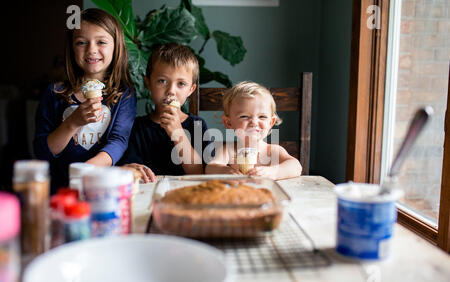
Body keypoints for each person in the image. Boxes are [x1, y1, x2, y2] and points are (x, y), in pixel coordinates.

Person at [34, 8, 137, 193]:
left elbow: (118, 141)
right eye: (81, 42)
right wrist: (73, 122)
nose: (91, 50)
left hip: (104, 188)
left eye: (101, 42)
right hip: (61, 191)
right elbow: (42, 151)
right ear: (72, 48)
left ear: (116, 46)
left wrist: (85, 173)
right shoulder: (54, 93)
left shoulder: (124, 94)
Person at [117, 43, 211, 183]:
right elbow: (131, 170)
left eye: (181, 84)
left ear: (191, 90)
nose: (171, 91)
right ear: (148, 83)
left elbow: (199, 173)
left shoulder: (197, 125)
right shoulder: (137, 127)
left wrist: (177, 132)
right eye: (162, 81)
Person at [205, 81, 302, 180]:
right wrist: (225, 171)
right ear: (228, 123)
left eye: (262, 117)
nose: (254, 122)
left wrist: (273, 172)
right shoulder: (229, 150)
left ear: (270, 123)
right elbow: (211, 167)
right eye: (244, 116)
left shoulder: (272, 151)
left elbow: (296, 166)